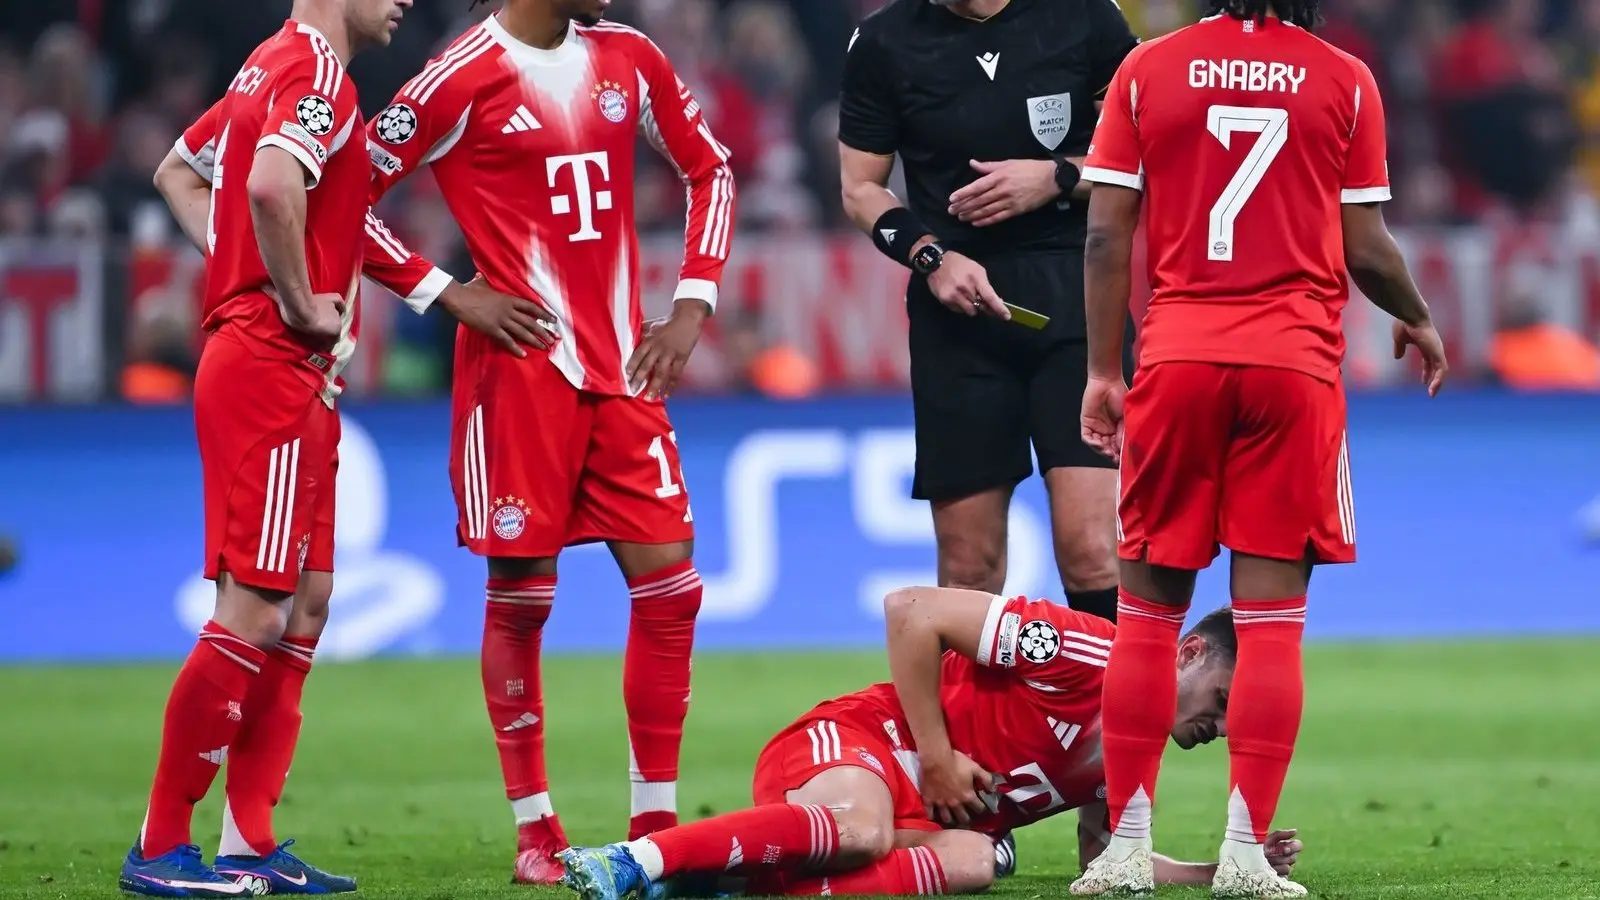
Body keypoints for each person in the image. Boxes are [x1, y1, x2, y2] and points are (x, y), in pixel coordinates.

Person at [1072, 2, 1449, 897]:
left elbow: (1105, 234)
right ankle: (1245, 856)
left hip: (1179, 361)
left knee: (1146, 618)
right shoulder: (1345, 79)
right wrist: (1417, 316)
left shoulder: (1147, 70)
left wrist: (1101, 370)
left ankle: (1123, 852)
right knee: (1272, 626)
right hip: (1292, 367)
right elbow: (1366, 245)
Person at [358, 0, 737, 883]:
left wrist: (693, 302)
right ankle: (536, 829)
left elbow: (711, 168)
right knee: (524, 596)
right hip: (521, 377)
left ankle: (655, 831)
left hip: (624, 366)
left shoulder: (629, 57)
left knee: (672, 590)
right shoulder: (459, 78)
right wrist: (448, 292)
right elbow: (341, 195)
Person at [121, 0, 422, 895]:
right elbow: (268, 185)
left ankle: (249, 841)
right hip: (271, 366)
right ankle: (159, 848)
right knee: (254, 609)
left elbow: (180, 172)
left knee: (306, 605)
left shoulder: (268, 64)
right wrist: (289, 297)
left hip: (293, 375)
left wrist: (239, 263)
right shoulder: (315, 72)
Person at [557, 587, 1304, 899]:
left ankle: (728, 880)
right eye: (1223, 703)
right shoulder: (1085, 652)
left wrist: (1219, 870)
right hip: (856, 743)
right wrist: (938, 757)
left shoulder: (1134, 756)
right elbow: (911, 611)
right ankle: (631, 860)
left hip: (916, 816)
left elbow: (1103, 861)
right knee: (862, 829)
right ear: (1189, 653)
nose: (1220, 730)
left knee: (980, 859)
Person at [837, 0, 1141, 623]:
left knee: (1093, 552)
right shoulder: (883, 41)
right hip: (957, 318)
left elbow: (1148, 153)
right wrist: (930, 257)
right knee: (969, 567)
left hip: (1079, 307)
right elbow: (860, 187)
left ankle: (1111, 692)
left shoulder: (1085, 16)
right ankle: (976, 694)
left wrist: (1056, 177)